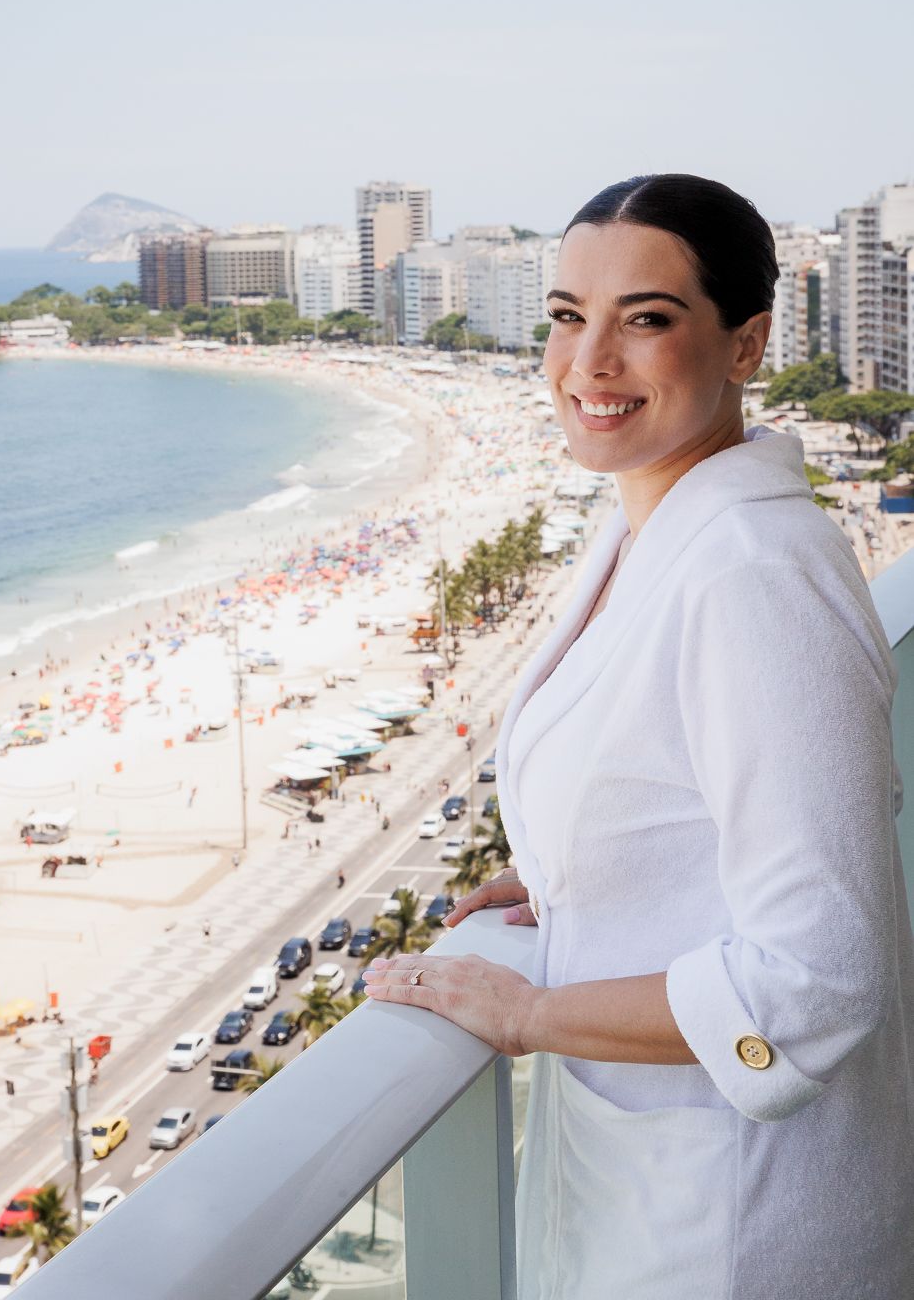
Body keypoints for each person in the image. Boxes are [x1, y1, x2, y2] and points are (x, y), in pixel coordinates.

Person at [359, 173, 914, 1297]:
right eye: (566, 316)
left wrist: (527, 1011)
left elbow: (816, 979)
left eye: (645, 320)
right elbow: (707, 786)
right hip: (647, 1184)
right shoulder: (646, 527)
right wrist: (582, 869)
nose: (586, 361)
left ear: (745, 343)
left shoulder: (750, 581)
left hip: (733, 1221)